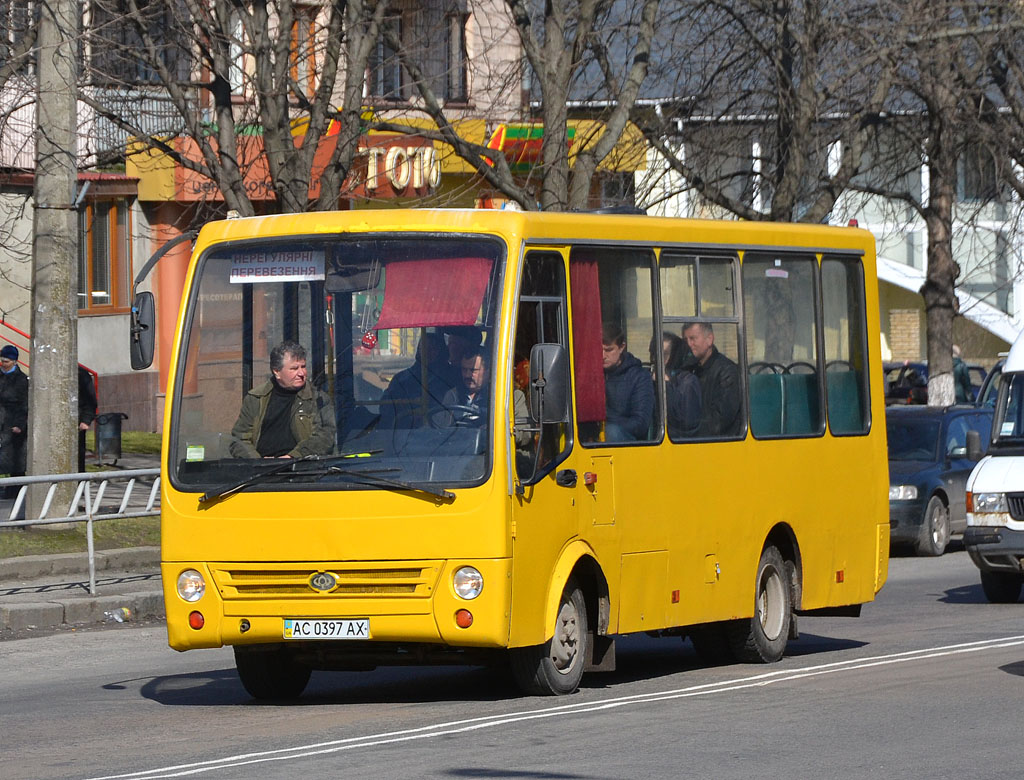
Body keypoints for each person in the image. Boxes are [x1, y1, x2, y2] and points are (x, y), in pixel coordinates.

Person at [230, 341, 335, 458]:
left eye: (303, 367)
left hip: (303, 470)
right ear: (277, 372)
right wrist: (258, 462)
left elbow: (326, 436)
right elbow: (239, 440)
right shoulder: (255, 399)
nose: (301, 373)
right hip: (262, 471)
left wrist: (294, 456)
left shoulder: (318, 399)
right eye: (294, 368)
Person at [378, 332, 453, 428]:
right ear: (418, 350)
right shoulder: (401, 379)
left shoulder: (450, 377)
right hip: (404, 432)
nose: (428, 352)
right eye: (424, 348)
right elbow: (386, 407)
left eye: (433, 349)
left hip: (442, 433)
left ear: (441, 351)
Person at [682, 321, 742, 437]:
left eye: (693, 338)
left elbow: (719, 421)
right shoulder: (689, 369)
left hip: (721, 444)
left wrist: (686, 432)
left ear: (709, 339)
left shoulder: (727, 371)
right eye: (685, 340)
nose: (689, 344)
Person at [601, 323, 654, 442]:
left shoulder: (639, 377)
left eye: (608, 350)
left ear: (621, 347)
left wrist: (603, 418)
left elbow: (640, 424)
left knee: (612, 432)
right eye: (598, 350)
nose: (602, 356)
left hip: (626, 443)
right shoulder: (591, 374)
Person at [0, 345, 28, 495]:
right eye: (2, 360)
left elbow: (24, 404)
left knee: (15, 459)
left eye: (7, 361)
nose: (4, 364)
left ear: (14, 362)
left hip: (13, 422)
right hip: (2, 420)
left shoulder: (21, 380)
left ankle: (15, 489)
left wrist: (19, 424)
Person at [442, 346, 492, 426]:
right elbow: (440, 429)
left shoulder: (500, 398)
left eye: (473, 370)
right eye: (464, 369)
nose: (467, 375)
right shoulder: (452, 396)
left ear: (488, 371)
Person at [78, 366, 98, 473]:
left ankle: (80, 487)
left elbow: (91, 400)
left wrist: (86, 420)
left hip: (77, 423)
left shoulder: (81, 374)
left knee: (78, 460)